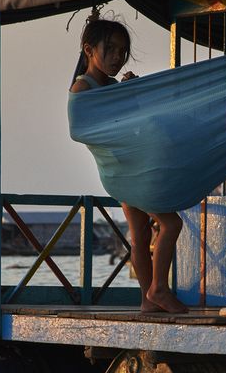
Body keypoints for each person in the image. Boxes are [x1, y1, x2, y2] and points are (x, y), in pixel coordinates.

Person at [70, 16, 189, 314]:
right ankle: (159, 288)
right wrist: (120, 100)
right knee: (171, 222)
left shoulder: (110, 86)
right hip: (123, 170)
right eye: (109, 49)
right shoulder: (83, 88)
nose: (117, 57)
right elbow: (81, 130)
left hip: (126, 168)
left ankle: (147, 300)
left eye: (122, 52)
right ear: (89, 49)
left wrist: (130, 94)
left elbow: (137, 124)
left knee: (141, 234)